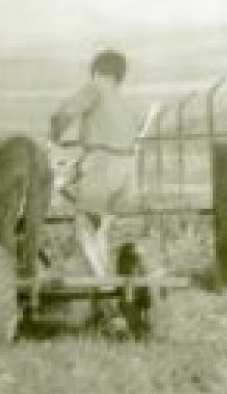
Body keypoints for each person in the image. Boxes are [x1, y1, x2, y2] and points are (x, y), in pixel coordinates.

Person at [50, 49, 161, 277]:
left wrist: (54, 139)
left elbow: (63, 114)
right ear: (120, 75)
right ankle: (115, 285)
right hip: (128, 169)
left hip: (103, 165)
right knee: (106, 230)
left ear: (96, 70)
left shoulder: (95, 87)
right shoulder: (122, 99)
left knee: (84, 226)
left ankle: (103, 286)